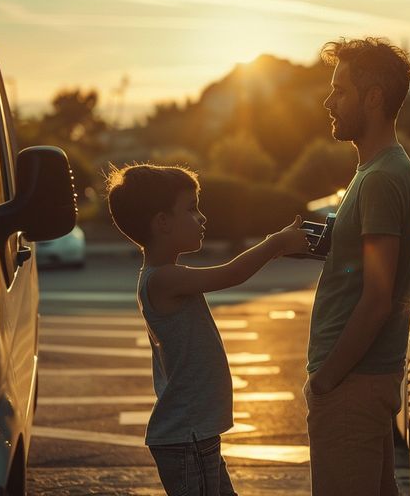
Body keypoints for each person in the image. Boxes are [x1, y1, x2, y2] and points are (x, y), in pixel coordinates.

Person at [105, 163, 310, 496]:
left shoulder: (164, 276)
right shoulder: (164, 279)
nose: (202, 218)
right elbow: (231, 274)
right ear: (163, 223)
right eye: (191, 209)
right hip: (187, 436)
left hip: (194, 434)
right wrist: (275, 243)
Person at [305, 37, 410, 496]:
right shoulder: (381, 169)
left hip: (352, 384)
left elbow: (377, 297)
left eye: (340, 90)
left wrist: (326, 379)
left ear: (373, 98)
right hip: (364, 381)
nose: (328, 101)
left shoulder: (380, 178)